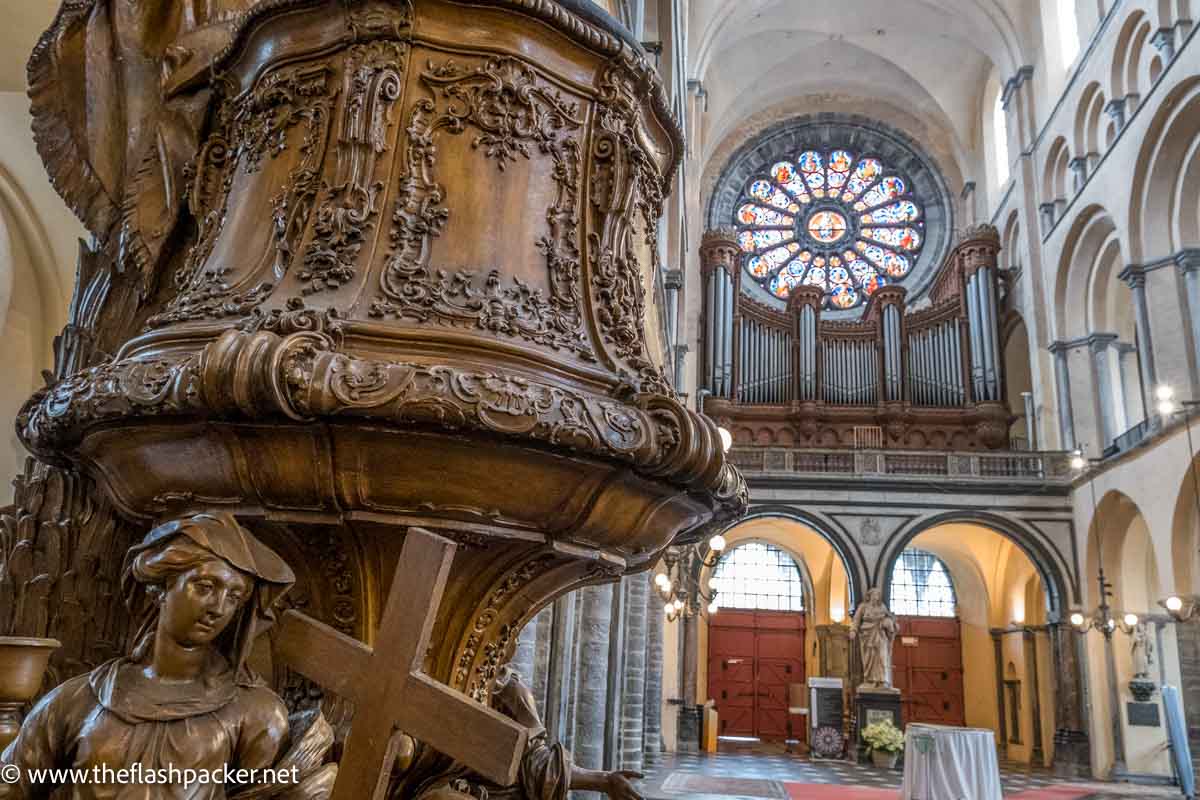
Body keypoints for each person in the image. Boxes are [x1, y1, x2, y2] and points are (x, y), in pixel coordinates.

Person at [0, 512, 334, 799]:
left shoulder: (256, 714)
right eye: (204, 587)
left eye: (234, 597)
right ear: (161, 588)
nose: (218, 609)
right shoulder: (77, 701)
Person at [413, 665, 643, 800]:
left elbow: (535, 763)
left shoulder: (511, 691)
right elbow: (537, 765)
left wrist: (602, 781)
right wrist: (601, 781)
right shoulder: (510, 693)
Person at [850, 587, 899, 691]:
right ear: (869, 596)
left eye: (878, 595)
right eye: (874, 595)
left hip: (880, 636)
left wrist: (892, 624)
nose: (876, 597)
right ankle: (870, 681)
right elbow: (856, 620)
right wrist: (853, 630)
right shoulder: (863, 607)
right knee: (869, 659)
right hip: (867, 637)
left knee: (882, 657)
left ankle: (882, 681)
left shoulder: (882, 607)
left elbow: (890, 618)